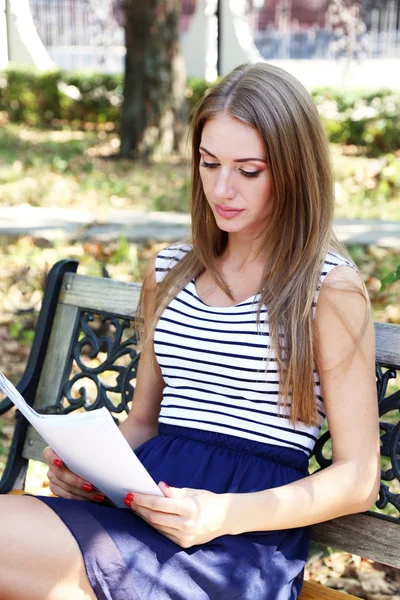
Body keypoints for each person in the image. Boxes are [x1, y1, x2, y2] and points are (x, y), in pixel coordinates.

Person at [0, 62, 380, 600]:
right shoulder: (171, 270)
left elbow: (360, 478)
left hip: (234, 545)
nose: (222, 188)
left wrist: (222, 514)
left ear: (294, 171)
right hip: (144, 509)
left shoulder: (327, 290)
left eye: (249, 170)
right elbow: (143, 424)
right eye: (209, 163)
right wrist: (87, 474)